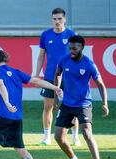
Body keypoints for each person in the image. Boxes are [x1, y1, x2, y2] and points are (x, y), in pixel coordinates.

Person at [0, 49, 63, 159]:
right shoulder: (16, 72)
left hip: (2, 115)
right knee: (21, 149)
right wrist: (55, 87)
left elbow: (1, 85)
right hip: (17, 118)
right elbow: (36, 80)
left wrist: (7, 102)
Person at [53, 35, 108, 159]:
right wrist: (56, 93)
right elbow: (57, 74)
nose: (71, 50)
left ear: (82, 48)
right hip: (67, 103)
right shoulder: (64, 60)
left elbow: (100, 84)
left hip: (83, 104)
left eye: (74, 48)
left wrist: (104, 103)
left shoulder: (89, 64)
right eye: (70, 48)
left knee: (87, 134)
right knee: (58, 136)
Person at [35, 8, 80, 146]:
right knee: (48, 105)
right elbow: (41, 55)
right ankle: (47, 136)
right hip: (49, 76)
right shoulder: (46, 35)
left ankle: (75, 137)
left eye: (60, 19)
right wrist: (37, 74)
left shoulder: (71, 34)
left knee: (73, 106)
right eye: (54, 19)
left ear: (64, 19)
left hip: (69, 76)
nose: (57, 21)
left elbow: (77, 56)